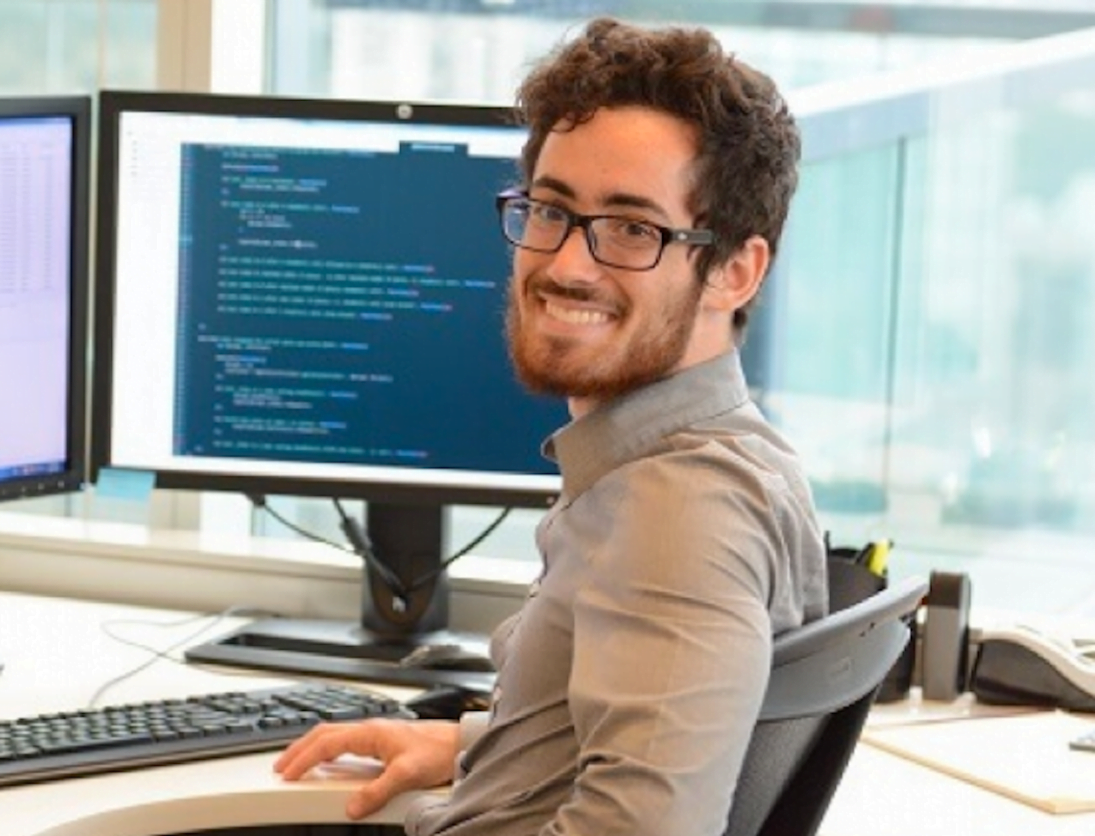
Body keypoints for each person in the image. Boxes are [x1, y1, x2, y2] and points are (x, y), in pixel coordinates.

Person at [274, 16, 828, 836]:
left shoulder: (678, 511)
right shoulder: (728, 456)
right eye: (550, 210)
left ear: (735, 272)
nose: (567, 264)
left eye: (633, 228)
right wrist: (481, 746)